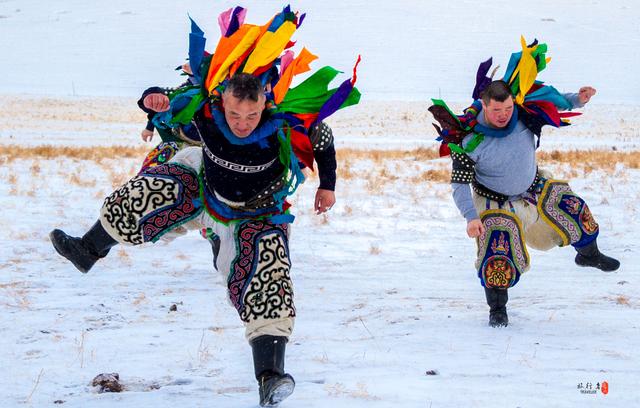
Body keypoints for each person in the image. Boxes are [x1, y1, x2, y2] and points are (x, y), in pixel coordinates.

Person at [50, 6, 360, 406]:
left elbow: (322, 137)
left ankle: (271, 376)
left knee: (268, 276)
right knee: (154, 189)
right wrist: (152, 101)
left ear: (266, 101)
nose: (242, 122)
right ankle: (87, 250)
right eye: (234, 113)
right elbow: (164, 104)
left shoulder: (286, 121)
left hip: (257, 209)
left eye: (251, 114)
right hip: (204, 190)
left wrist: (328, 186)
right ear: (222, 101)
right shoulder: (206, 113)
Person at [429, 39, 619, 328]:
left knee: (572, 207)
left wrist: (577, 99)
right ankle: (497, 309)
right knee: (496, 248)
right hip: (493, 199)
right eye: (496, 111)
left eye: (507, 108)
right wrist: (470, 217)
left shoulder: (525, 112)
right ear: (484, 105)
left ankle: (589, 256)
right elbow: (458, 185)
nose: (504, 115)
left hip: (533, 186)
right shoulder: (467, 139)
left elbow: (552, 99)